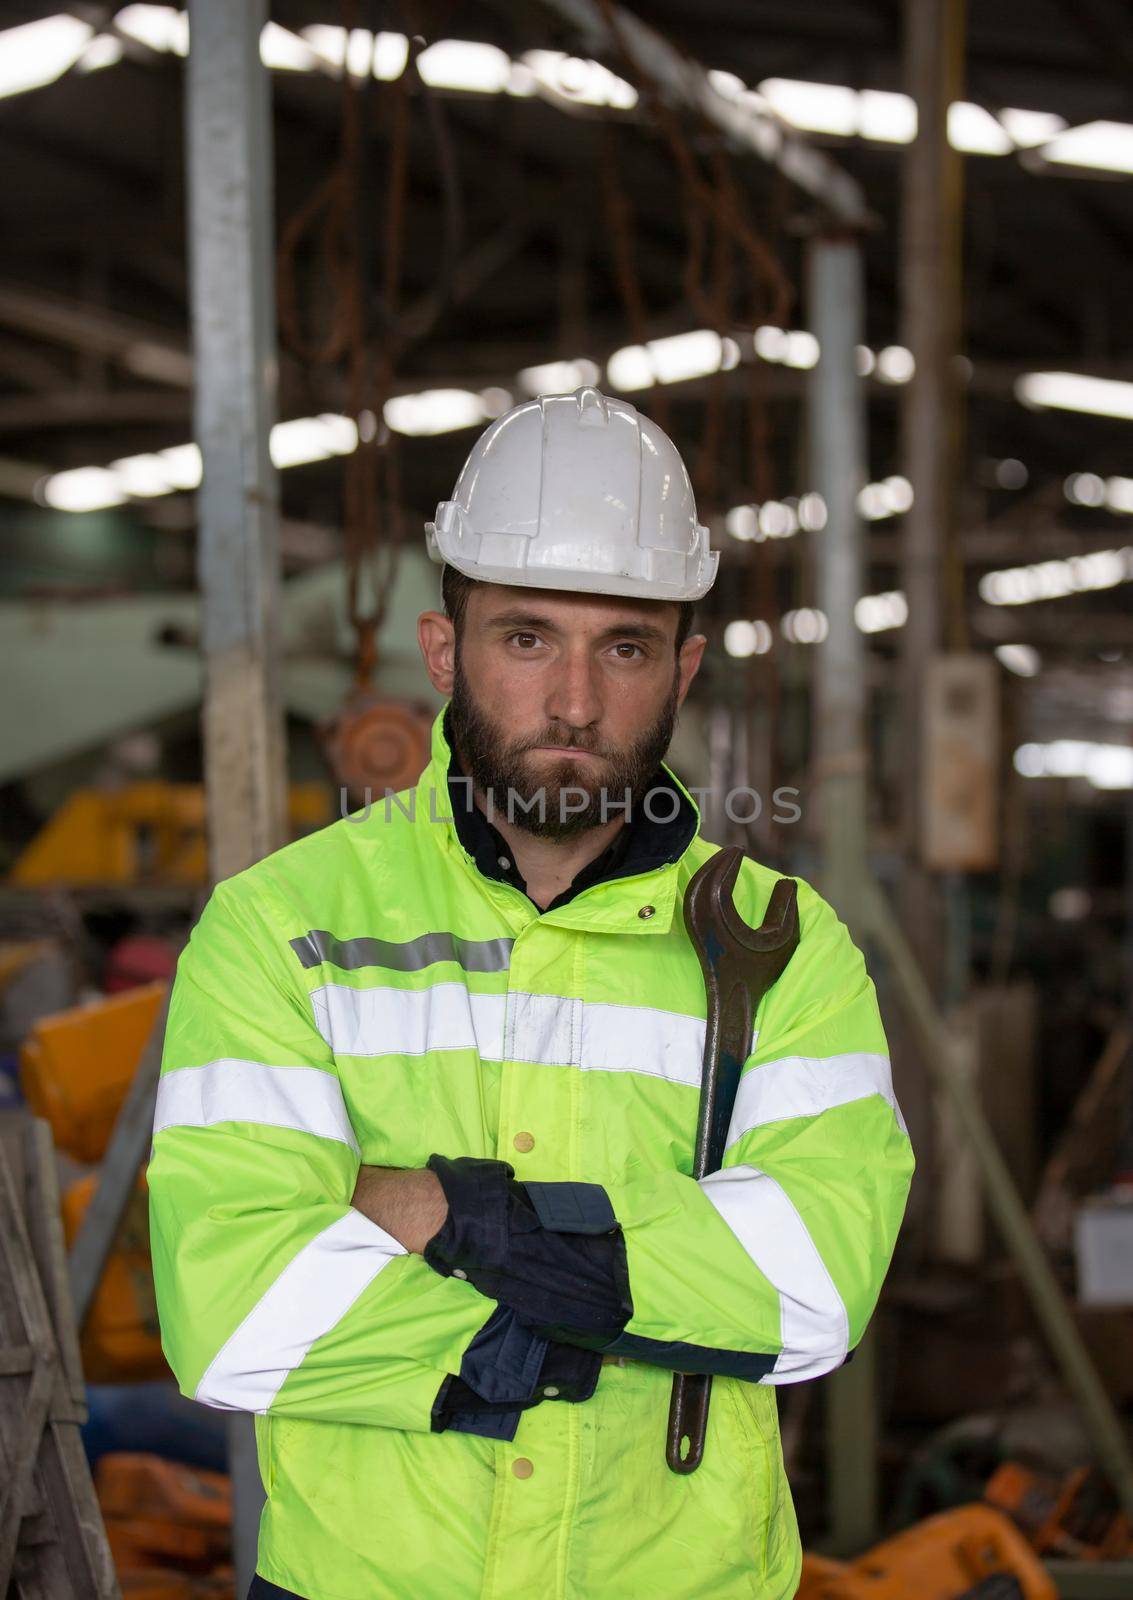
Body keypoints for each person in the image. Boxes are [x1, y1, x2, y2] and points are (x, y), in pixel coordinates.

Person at [148, 386, 914, 1600]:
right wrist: (616, 1319)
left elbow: (808, 1289)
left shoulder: (783, 949)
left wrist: (451, 1215)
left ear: (685, 665)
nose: (572, 701)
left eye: (623, 645)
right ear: (443, 649)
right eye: (525, 637)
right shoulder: (282, 929)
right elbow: (236, 1305)